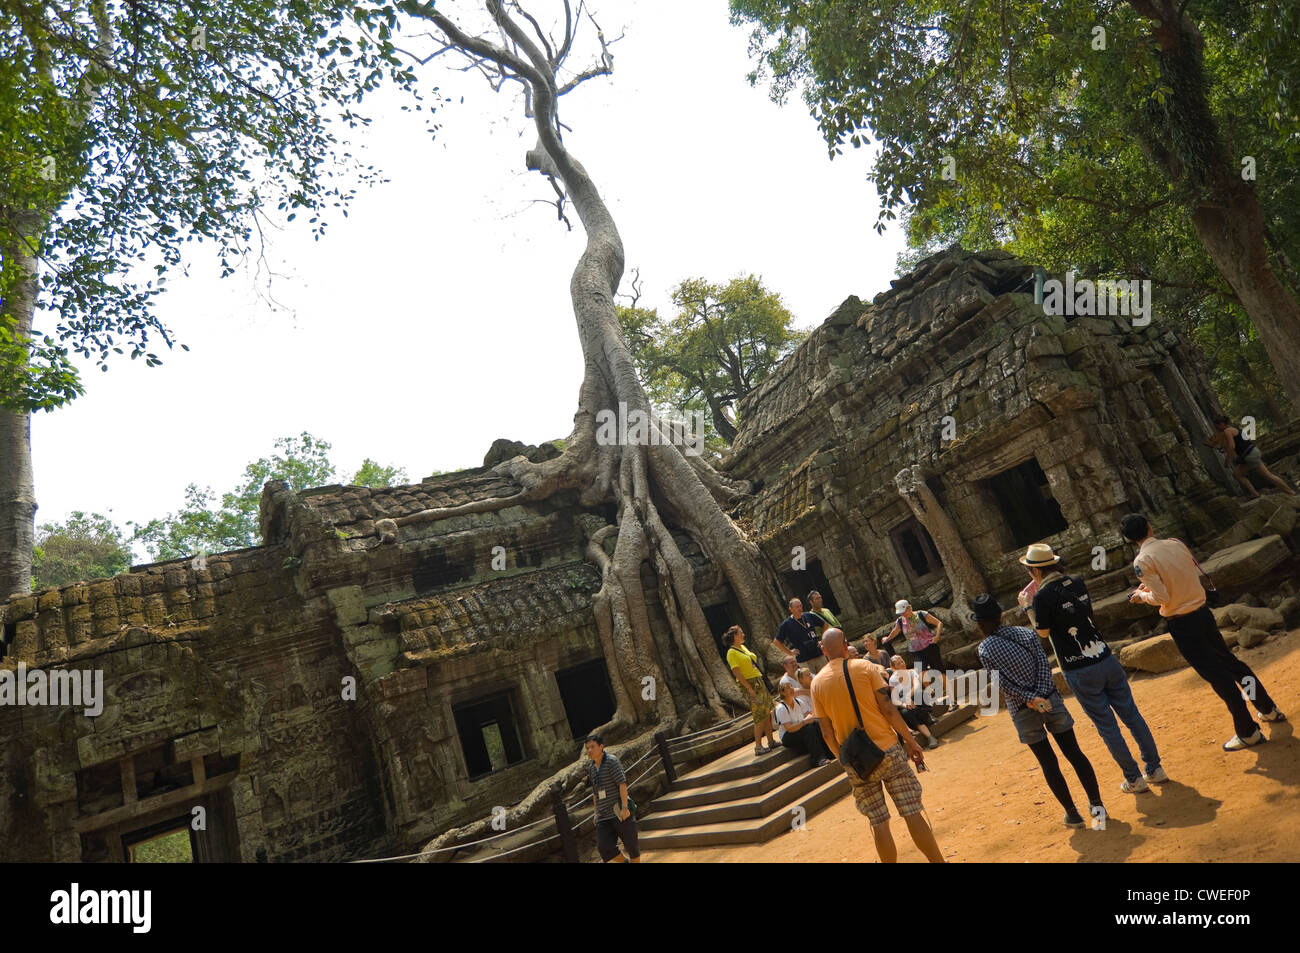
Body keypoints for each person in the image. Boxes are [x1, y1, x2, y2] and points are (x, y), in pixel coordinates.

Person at [1122, 513, 1286, 750]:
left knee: (1218, 677)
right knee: (1232, 664)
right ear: (1150, 527)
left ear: (1128, 539)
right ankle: (1267, 708)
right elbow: (1183, 572)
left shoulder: (1142, 561)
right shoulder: (1175, 543)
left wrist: (1141, 596)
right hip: (1202, 612)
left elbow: (1162, 597)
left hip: (1182, 623)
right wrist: (1152, 587)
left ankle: (1248, 731)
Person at [1022, 543, 1165, 793]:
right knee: (1131, 715)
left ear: (1034, 572)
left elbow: (1042, 632)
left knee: (1107, 726)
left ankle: (1134, 778)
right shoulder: (1076, 581)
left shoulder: (1041, 597)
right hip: (1105, 656)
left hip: (1079, 668)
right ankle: (1154, 768)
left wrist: (1028, 607)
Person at [811, 628, 945, 863]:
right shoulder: (865, 668)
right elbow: (889, 709)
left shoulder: (817, 684)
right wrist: (911, 741)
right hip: (887, 748)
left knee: (878, 822)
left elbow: (825, 731)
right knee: (911, 811)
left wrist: (844, 760)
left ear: (823, 650)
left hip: (856, 760)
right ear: (845, 645)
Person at [974, 593, 1106, 830]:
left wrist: (1029, 698)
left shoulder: (985, 649)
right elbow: (1045, 665)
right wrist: (1042, 694)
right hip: (1050, 698)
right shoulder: (1026, 634)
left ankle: (1072, 814)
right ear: (1001, 614)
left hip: (1023, 709)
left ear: (979, 623)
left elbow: (1002, 684)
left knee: (1048, 763)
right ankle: (1097, 806)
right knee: (1074, 753)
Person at [1204, 415, 1295, 499]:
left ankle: (1290, 492)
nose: (1216, 428)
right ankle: (1255, 493)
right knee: (1237, 474)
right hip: (1252, 453)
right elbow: (1236, 445)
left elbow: (1232, 447)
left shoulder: (1227, 431)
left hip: (1250, 455)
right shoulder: (1233, 429)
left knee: (1268, 476)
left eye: (1217, 426)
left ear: (1221, 424)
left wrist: (1227, 461)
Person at [723, 625, 779, 757]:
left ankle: (771, 741)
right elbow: (737, 672)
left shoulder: (742, 647)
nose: (743, 635)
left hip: (758, 680)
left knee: (766, 712)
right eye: (741, 633)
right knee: (759, 716)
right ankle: (758, 746)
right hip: (750, 684)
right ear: (735, 636)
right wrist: (749, 688)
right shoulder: (731, 653)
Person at [585, 733, 640, 863]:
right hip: (603, 815)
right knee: (604, 847)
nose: (589, 751)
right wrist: (595, 812)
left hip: (619, 811)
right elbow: (595, 792)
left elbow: (622, 784)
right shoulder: (591, 769)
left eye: (592, 747)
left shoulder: (611, 761)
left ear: (601, 747)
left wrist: (625, 807)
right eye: (587, 748)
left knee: (631, 844)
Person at [887, 600, 952, 708]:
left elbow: (939, 623)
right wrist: (888, 639)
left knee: (940, 673)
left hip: (930, 647)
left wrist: (937, 637)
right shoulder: (900, 621)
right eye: (901, 613)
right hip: (916, 651)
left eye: (904, 611)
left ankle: (952, 699)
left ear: (910, 608)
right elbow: (896, 631)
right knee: (920, 672)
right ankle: (930, 691)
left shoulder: (922, 614)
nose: (903, 614)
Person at [774, 680, 834, 766]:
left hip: (801, 729)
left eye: (791, 686)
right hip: (788, 736)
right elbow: (789, 728)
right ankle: (818, 758)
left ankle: (829, 752)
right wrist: (804, 722)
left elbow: (808, 716)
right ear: (782, 692)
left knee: (816, 724)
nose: (792, 689)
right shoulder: (781, 708)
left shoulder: (799, 702)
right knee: (808, 729)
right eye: (788, 687)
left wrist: (811, 718)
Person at [889, 656, 940, 750]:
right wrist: (905, 704)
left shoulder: (911, 672)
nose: (902, 664)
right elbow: (895, 699)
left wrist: (908, 696)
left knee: (920, 694)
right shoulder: (893, 679)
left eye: (902, 661)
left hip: (915, 699)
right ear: (894, 667)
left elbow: (916, 685)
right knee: (906, 712)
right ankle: (930, 737)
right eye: (898, 663)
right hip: (906, 705)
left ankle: (928, 716)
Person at [774, 597, 828, 673]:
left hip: (818, 653)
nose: (800, 608)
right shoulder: (787, 624)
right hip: (804, 659)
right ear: (791, 609)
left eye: (800, 606)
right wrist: (790, 652)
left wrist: (822, 640)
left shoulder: (808, 616)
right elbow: (777, 641)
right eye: (797, 607)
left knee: (826, 674)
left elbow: (824, 624)